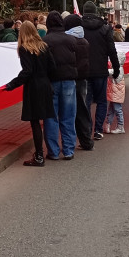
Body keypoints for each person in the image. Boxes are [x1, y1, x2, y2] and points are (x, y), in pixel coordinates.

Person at [4, 21, 57, 166]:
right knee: (46, 119)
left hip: (33, 87)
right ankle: (49, 151)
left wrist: (12, 84)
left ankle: (39, 155)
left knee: (34, 122)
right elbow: (52, 66)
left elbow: (27, 71)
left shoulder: (24, 48)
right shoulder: (44, 46)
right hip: (45, 85)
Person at [42, 11, 79, 159]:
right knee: (68, 116)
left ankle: (53, 151)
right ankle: (69, 150)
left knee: (51, 117)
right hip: (69, 80)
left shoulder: (45, 41)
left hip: (51, 82)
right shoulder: (71, 40)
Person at [81, 1, 120, 141]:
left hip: (83, 71)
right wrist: (116, 68)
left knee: (86, 101)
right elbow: (111, 49)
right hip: (100, 70)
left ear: (84, 12)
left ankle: (86, 129)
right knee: (101, 101)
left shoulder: (79, 27)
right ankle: (98, 130)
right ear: (96, 12)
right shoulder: (105, 28)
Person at [63, 12, 94, 150]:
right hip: (83, 78)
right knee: (83, 108)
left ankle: (71, 143)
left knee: (70, 112)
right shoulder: (84, 41)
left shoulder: (69, 41)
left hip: (71, 78)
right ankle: (86, 140)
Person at [104, 51, 126, 134]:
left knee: (117, 109)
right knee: (112, 109)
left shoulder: (119, 69)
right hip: (114, 93)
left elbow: (115, 76)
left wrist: (106, 70)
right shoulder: (117, 67)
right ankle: (108, 124)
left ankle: (120, 126)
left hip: (116, 93)